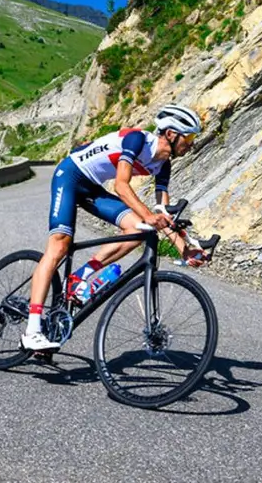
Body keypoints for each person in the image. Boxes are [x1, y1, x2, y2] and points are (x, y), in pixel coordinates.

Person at [21, 102, 209, 351]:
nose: (192, 143)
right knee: (59, 247)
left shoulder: (164, 164)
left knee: (138, 229)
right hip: (70, 175)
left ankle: (80, 277)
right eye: (190, 137)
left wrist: (184, 249)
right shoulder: (137, 140)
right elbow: (121, 185)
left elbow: (162, 214)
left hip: (92, 187)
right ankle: (32, 330)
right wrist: (149, 215)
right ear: (172, 134)